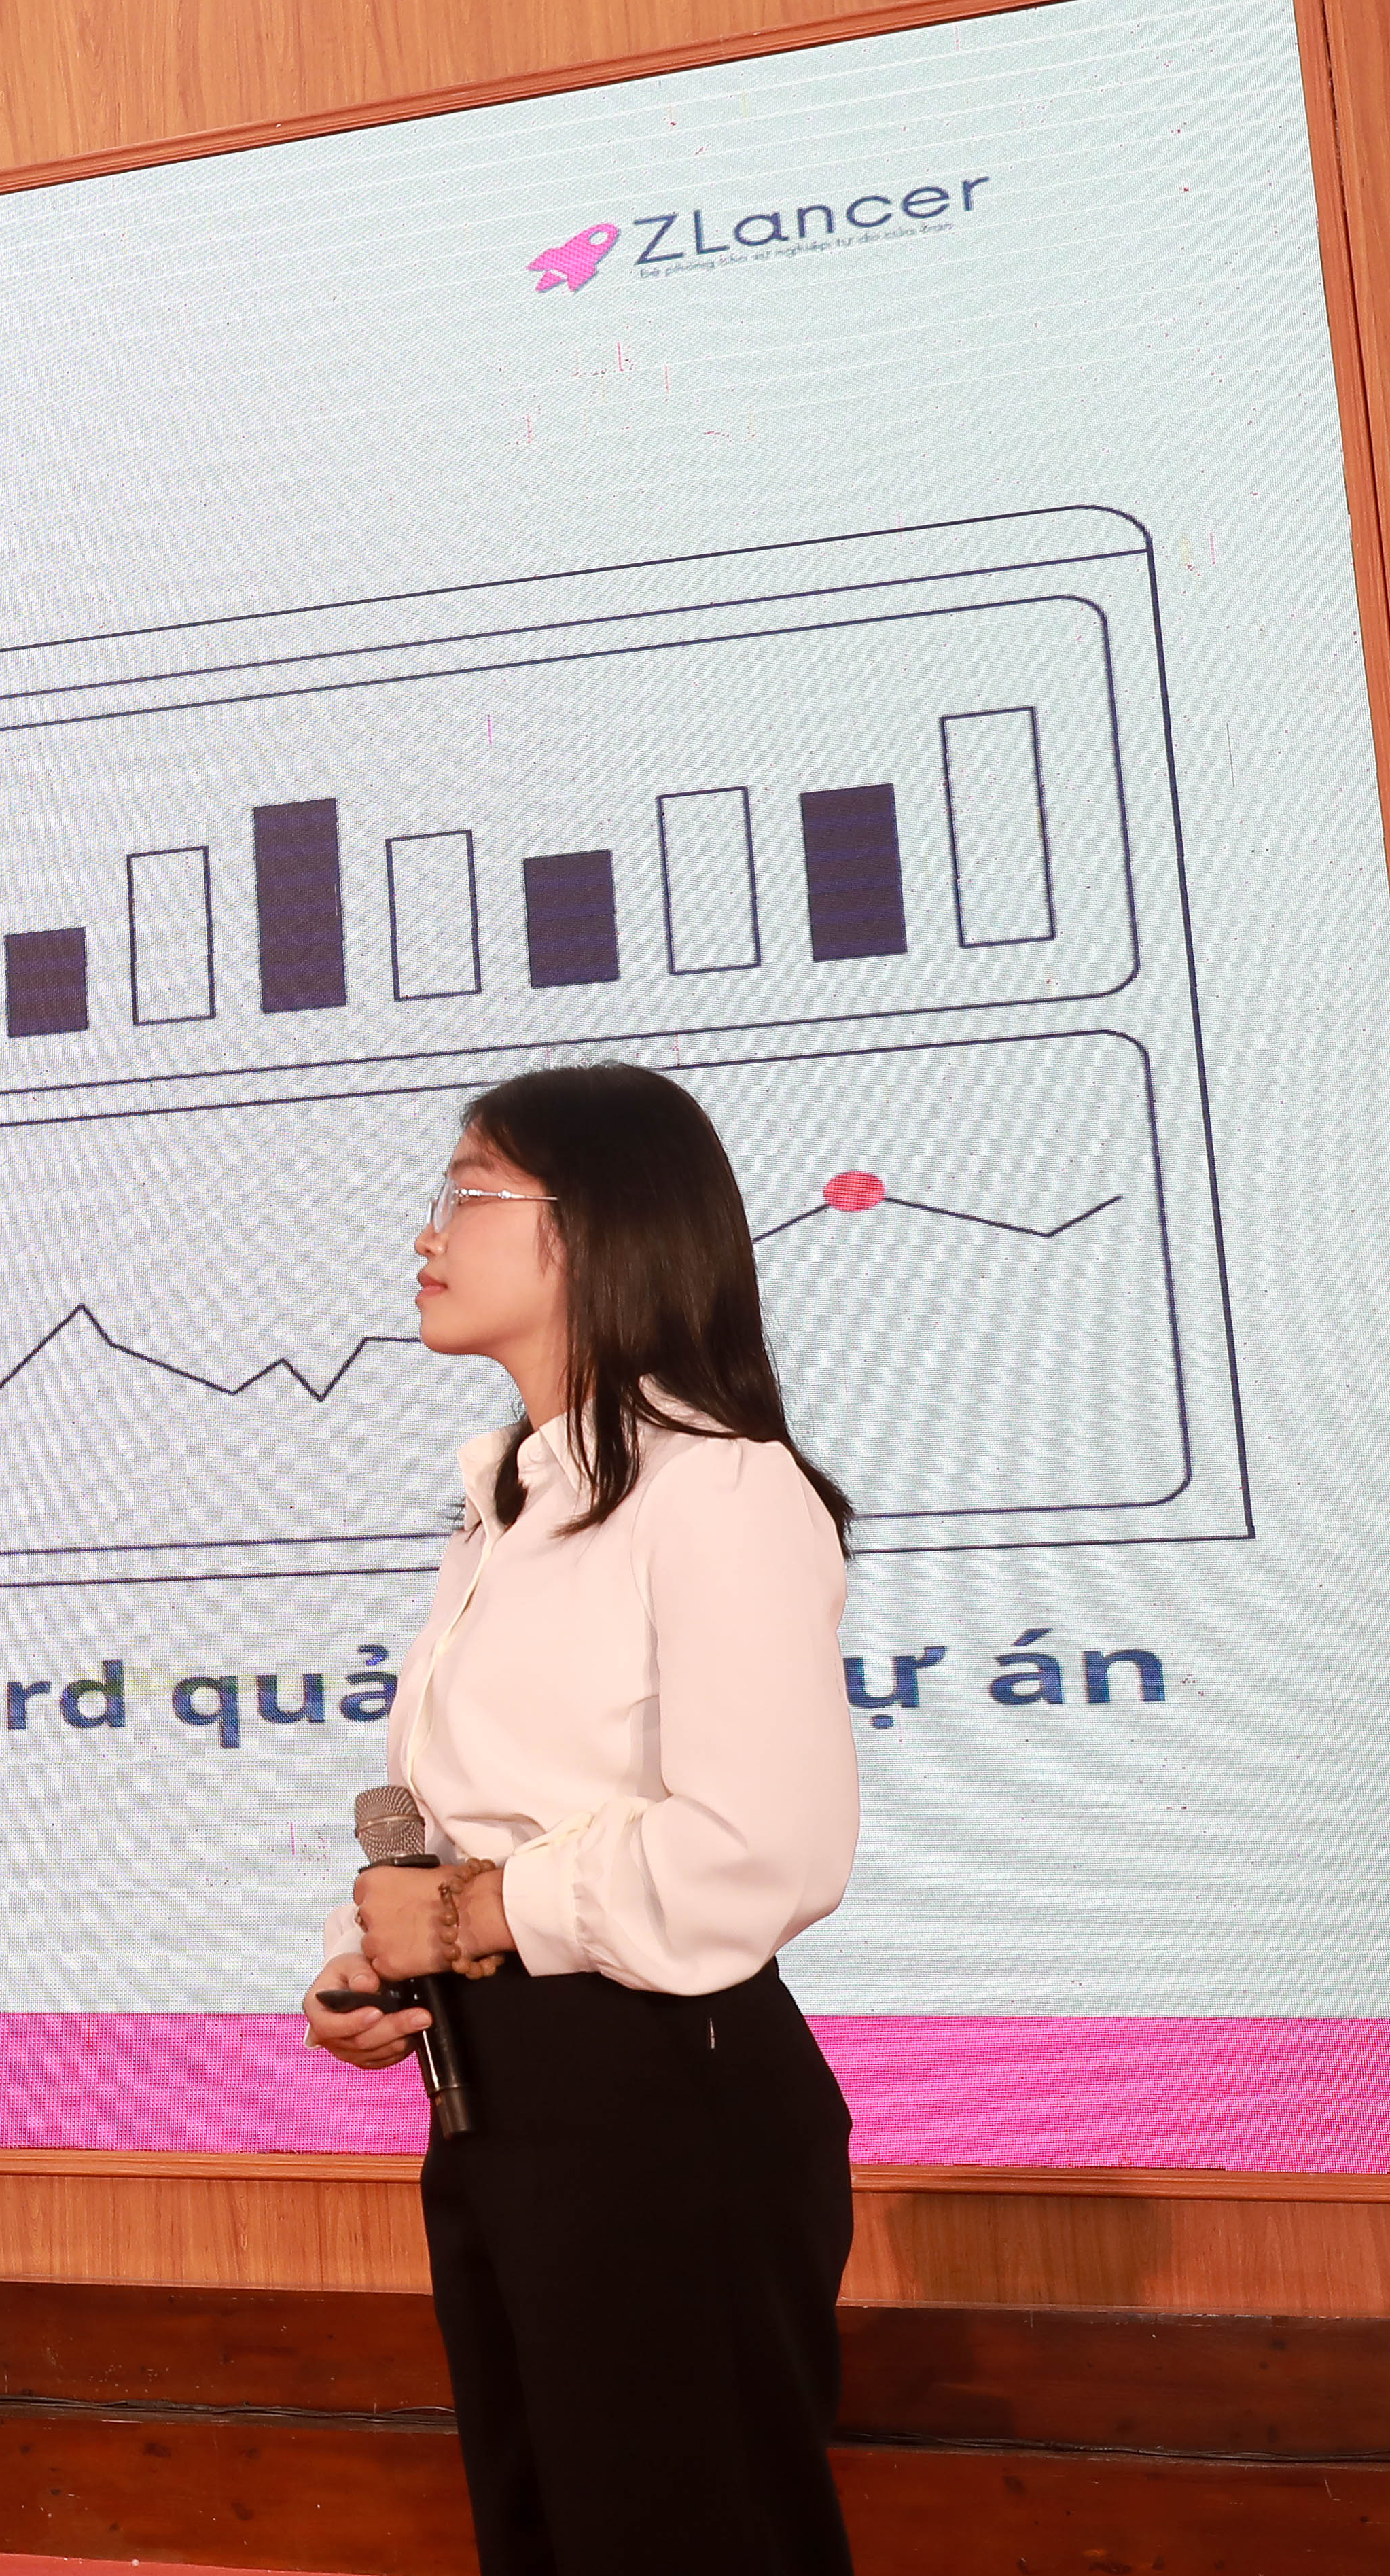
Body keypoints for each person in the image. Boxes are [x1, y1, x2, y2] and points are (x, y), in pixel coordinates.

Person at [303, 1060, 860, 2575]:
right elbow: (505, 1810)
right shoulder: (514, 1499)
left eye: (469, 1190)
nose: (428, 1230)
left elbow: (761, 1846)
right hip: (497, 2100)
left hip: (664, 2104)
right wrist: (383, 1957)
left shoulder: (718, 1489)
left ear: (598, 1226)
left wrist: (476, 1912)